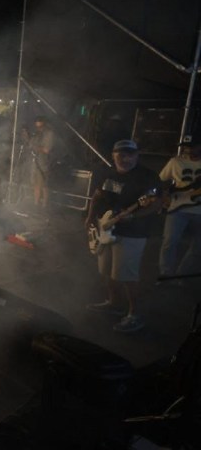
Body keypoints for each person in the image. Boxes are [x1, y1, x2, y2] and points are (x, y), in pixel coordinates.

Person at [84, 140, 161, 333]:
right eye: (121, 155)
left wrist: (134, 215)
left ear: (137, 155)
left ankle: (134, 315)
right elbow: (97, 195)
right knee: (106, 270)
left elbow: (156, 204)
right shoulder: (107, 173)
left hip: (133, 233)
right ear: (113, 155)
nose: (125, 159)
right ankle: (113, 303)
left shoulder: (147, 177)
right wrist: (90, 216)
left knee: (126, 275)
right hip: (105, 227)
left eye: (130, 155)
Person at [158, 135, 201, 278]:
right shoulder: (175, 162)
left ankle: (181, 274)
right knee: (169, 242)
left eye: (192, 146)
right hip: (177, 208)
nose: (188, 150)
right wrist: (164, 195)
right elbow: (160, 181)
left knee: (198, 247)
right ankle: (166, 274)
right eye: (186, 146)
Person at [26, 116, 55, 209]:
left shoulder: (49, 133)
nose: (38, 128)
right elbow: (30, 144)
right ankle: (36, 203)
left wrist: (35, 148)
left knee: (44, 185)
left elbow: (47, 149)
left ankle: (45, 205)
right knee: (36, 184)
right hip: (35, 162)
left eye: (40, 126)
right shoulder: (37, 133)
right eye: (37, 126)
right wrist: (27, 137)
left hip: (44, 163)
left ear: (44, 124)